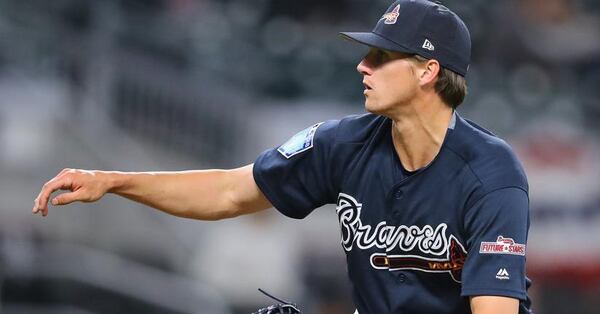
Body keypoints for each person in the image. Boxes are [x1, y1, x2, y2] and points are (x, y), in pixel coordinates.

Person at [33, 1, 533, 313]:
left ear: (427, 71)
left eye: (382, 56)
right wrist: (115, 180)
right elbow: (231, 190)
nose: (363, 65)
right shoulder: (342, 145)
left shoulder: (491, 173)